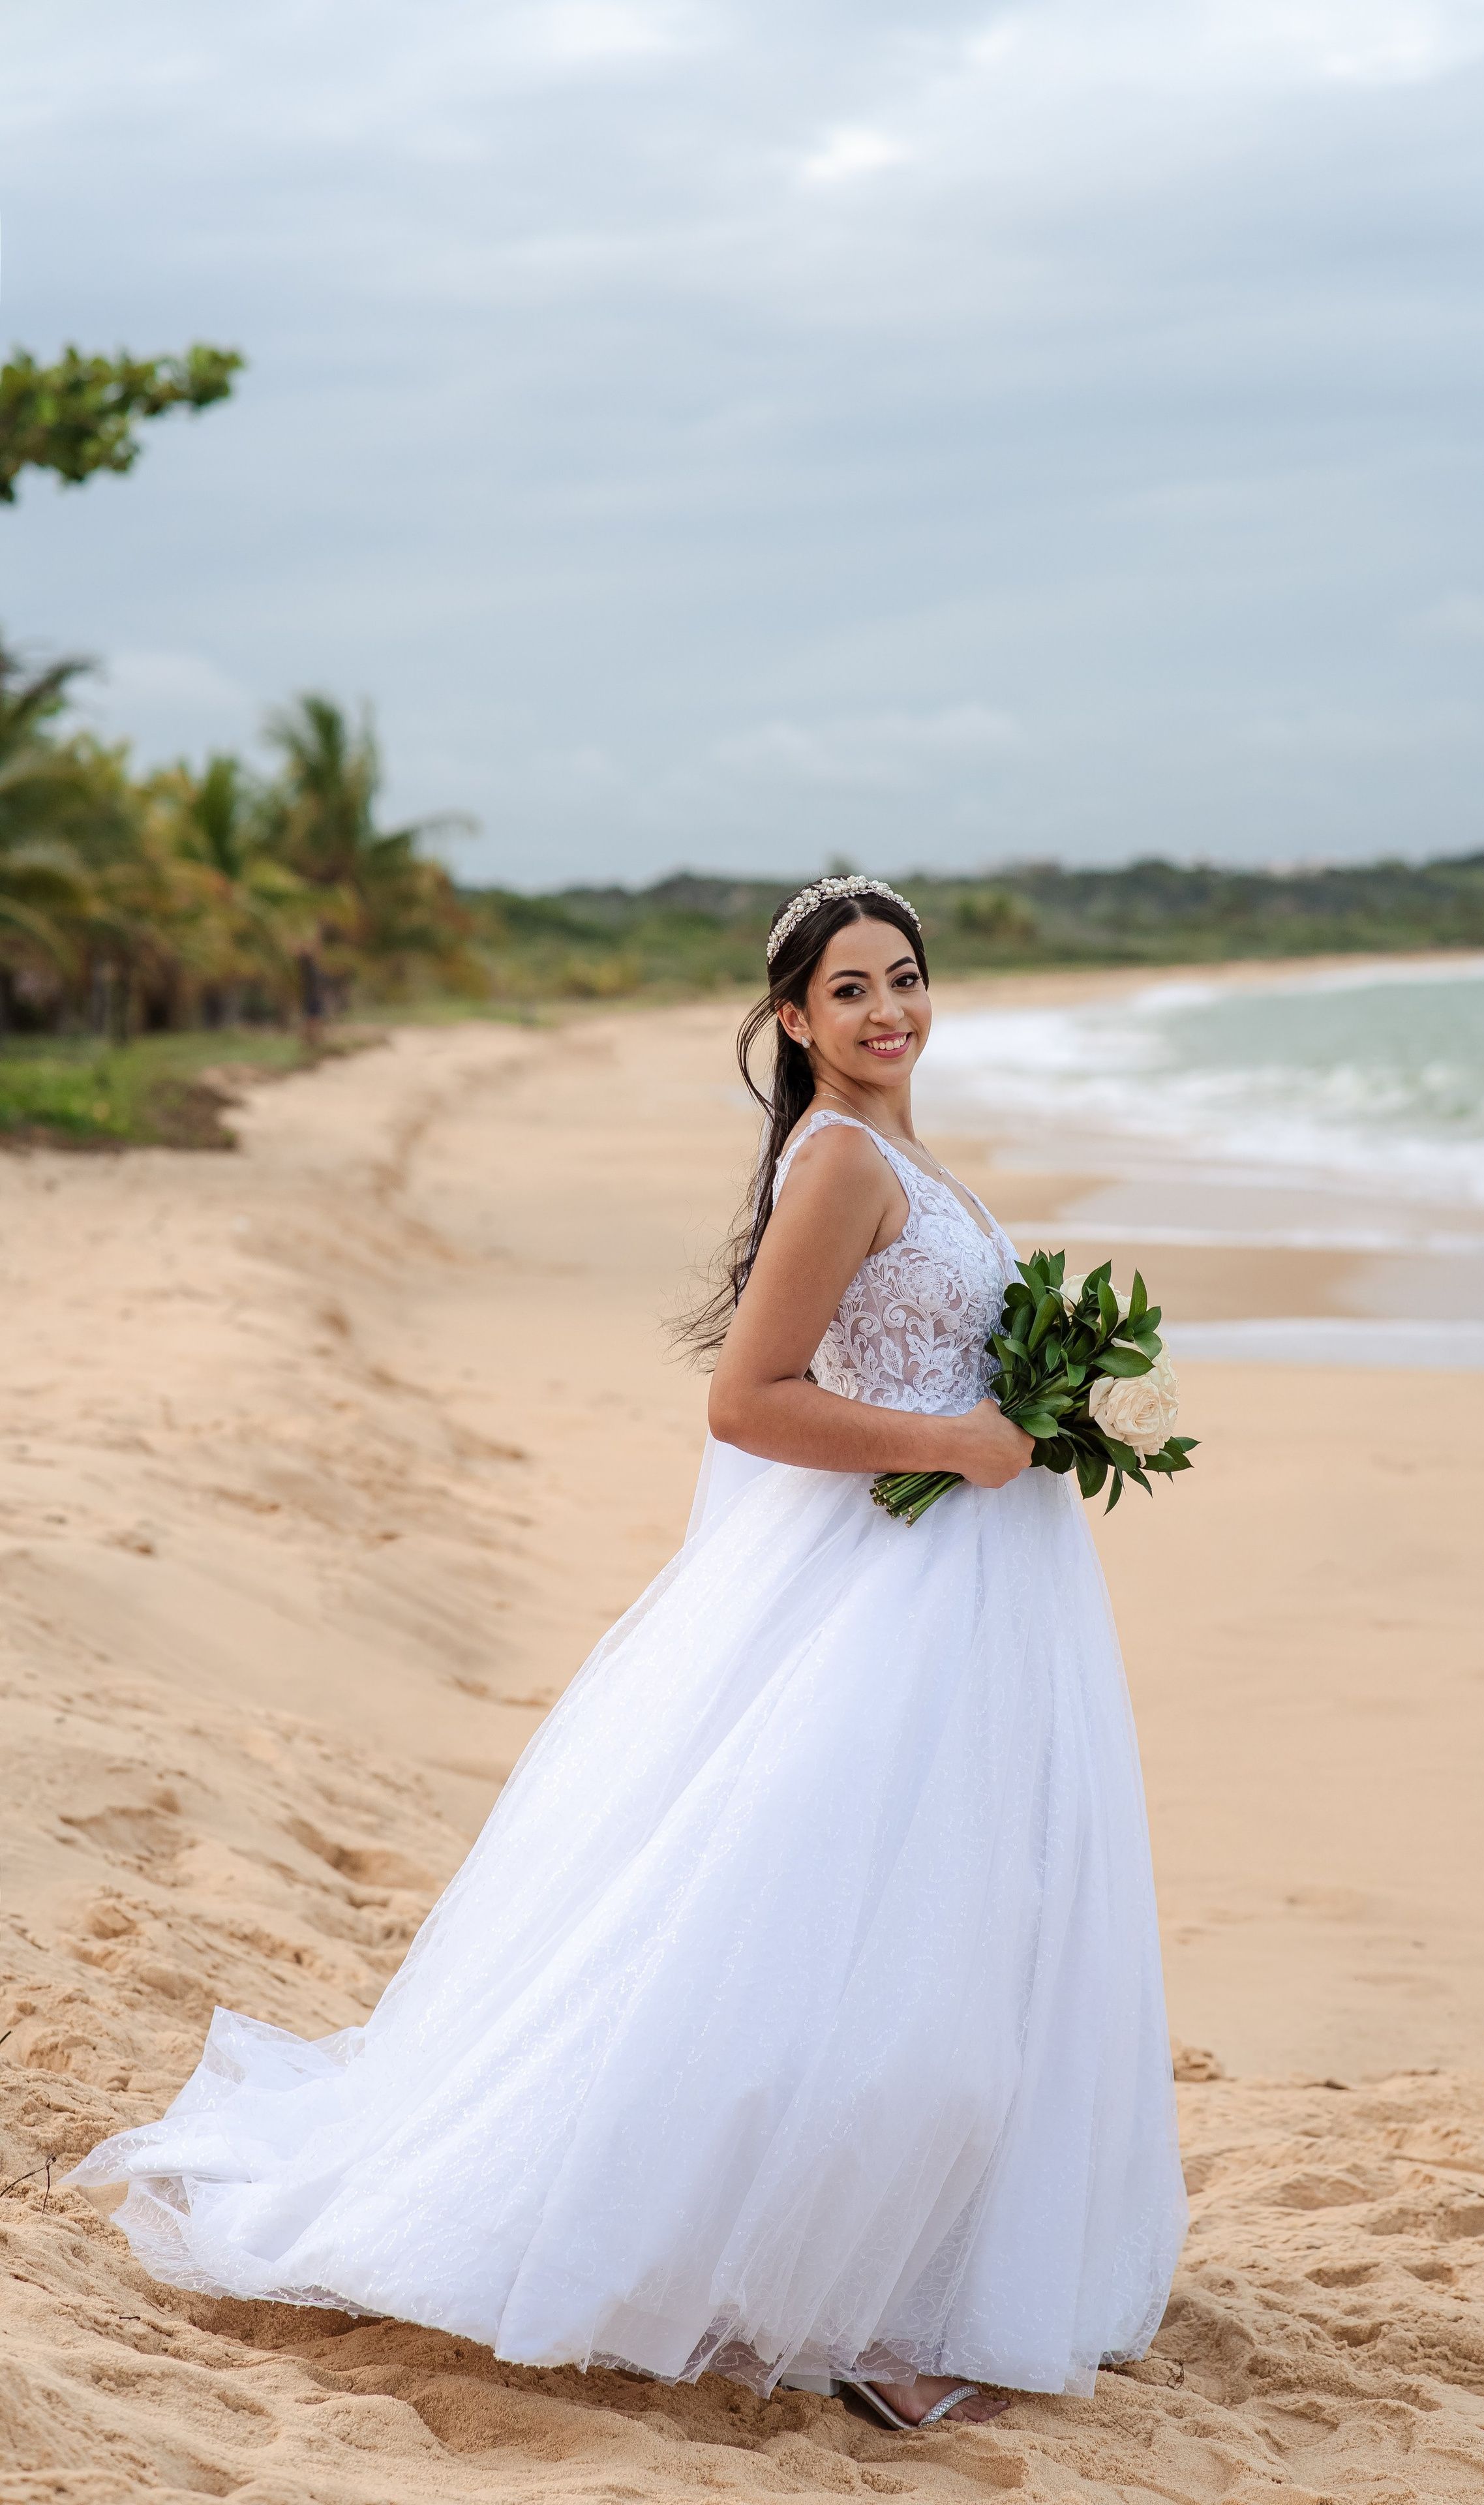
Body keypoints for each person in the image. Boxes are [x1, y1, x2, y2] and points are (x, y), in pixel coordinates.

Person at [70, 875, 1187, 2433]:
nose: (888, 1011)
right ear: (792, 1022)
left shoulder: (895, 1152)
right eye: (850, 991)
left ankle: (917, 2272)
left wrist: (1031, 1422)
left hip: (967, 1587)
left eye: (906, 979)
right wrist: (957, 1439)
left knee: (965, 1922)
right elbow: (747, 1400)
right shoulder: (844, 1161)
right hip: (888, 1592)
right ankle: (849, 2307)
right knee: (869, 1935)